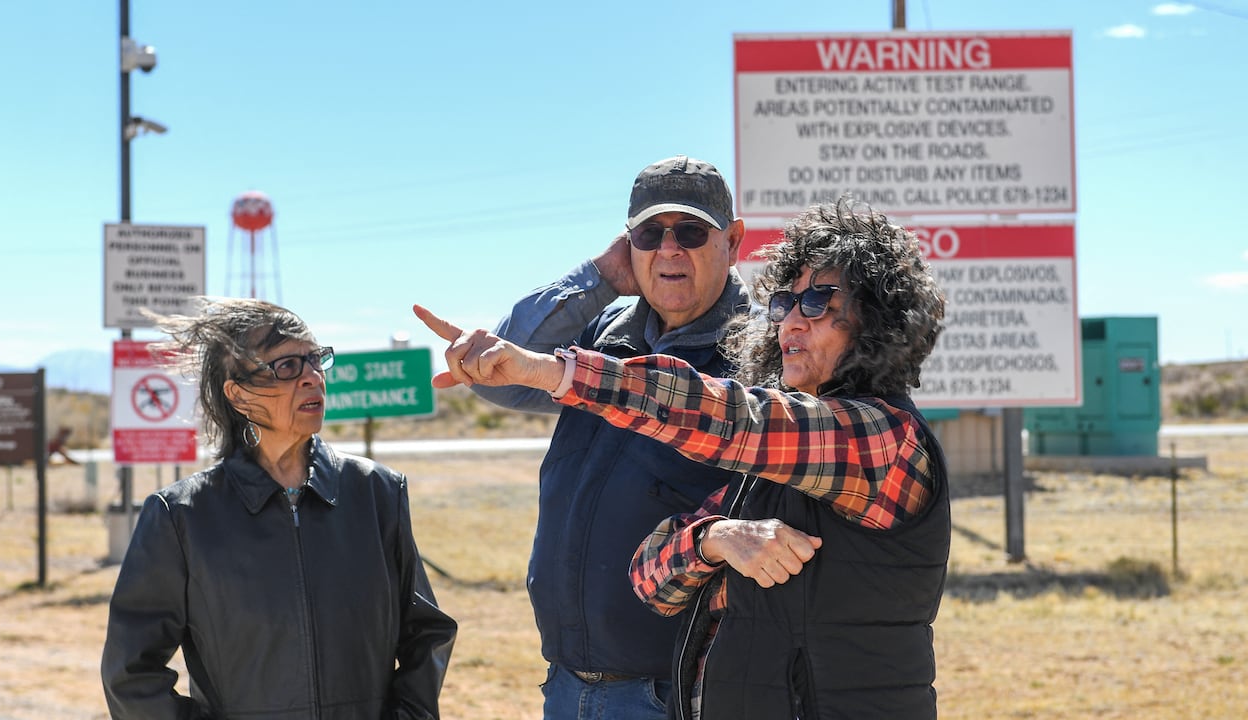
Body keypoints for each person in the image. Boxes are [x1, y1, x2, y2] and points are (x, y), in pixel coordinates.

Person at [415, 196, 951, 719]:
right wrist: (715, 538)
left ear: (878, 321)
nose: (790, 322)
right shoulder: (776, 462)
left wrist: (551, 373)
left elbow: (726, 417)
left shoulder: (882, 440)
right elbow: (651, 576)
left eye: (819, 303)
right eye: (785, 303)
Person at [466, 155, 750, 719]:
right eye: (650, 233)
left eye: (691, 232)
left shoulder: (757, 357)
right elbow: (499, 380)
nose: (669, 249)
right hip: (568, 683)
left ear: (733, 241)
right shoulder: (601, 336)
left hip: (678, 693)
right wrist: (599, 278)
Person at [101, 298, 456, 720]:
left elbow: (426, 633)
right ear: (238, 394)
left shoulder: (377, 492)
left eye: (315, 360)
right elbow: (131, 674)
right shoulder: (181, 517)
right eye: (287, 366)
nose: (311, 378)